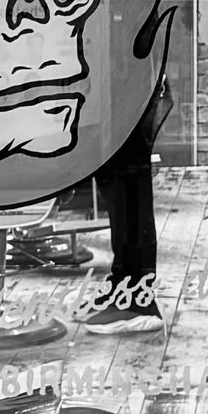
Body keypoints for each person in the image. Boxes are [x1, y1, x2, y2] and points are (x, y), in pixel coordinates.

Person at [72, 107, 161, 332]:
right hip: (117, 96)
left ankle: (137, 302)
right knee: (118, 192)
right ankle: (123, 288)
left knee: (129, 191)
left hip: (128, 96)